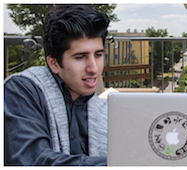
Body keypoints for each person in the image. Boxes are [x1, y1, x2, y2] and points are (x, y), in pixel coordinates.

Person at [4, 5, 110, 165]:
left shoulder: (105, 110)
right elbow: (32, 161)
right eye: (80, 57)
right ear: (53, 63)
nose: (94, 68)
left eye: (98, 54)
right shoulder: (21, 91)